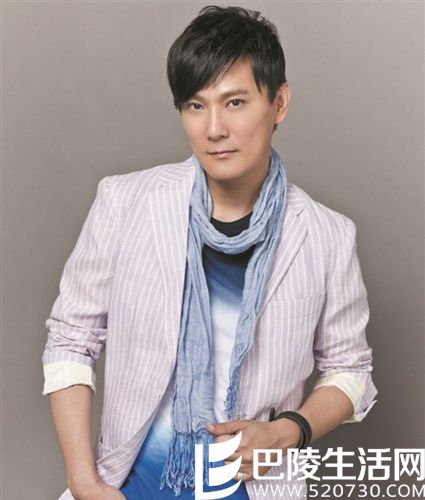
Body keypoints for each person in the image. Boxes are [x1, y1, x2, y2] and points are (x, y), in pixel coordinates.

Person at [42, 5, 378, 500]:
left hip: (254, 488)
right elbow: (71, 338)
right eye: (195, 106)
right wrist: (83, 480)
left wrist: (288, 432)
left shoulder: (327, 236)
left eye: (235, 102)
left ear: (279, 102)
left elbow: (351, 370)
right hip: (126, 487)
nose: (213, 128)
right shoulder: (126, 202)